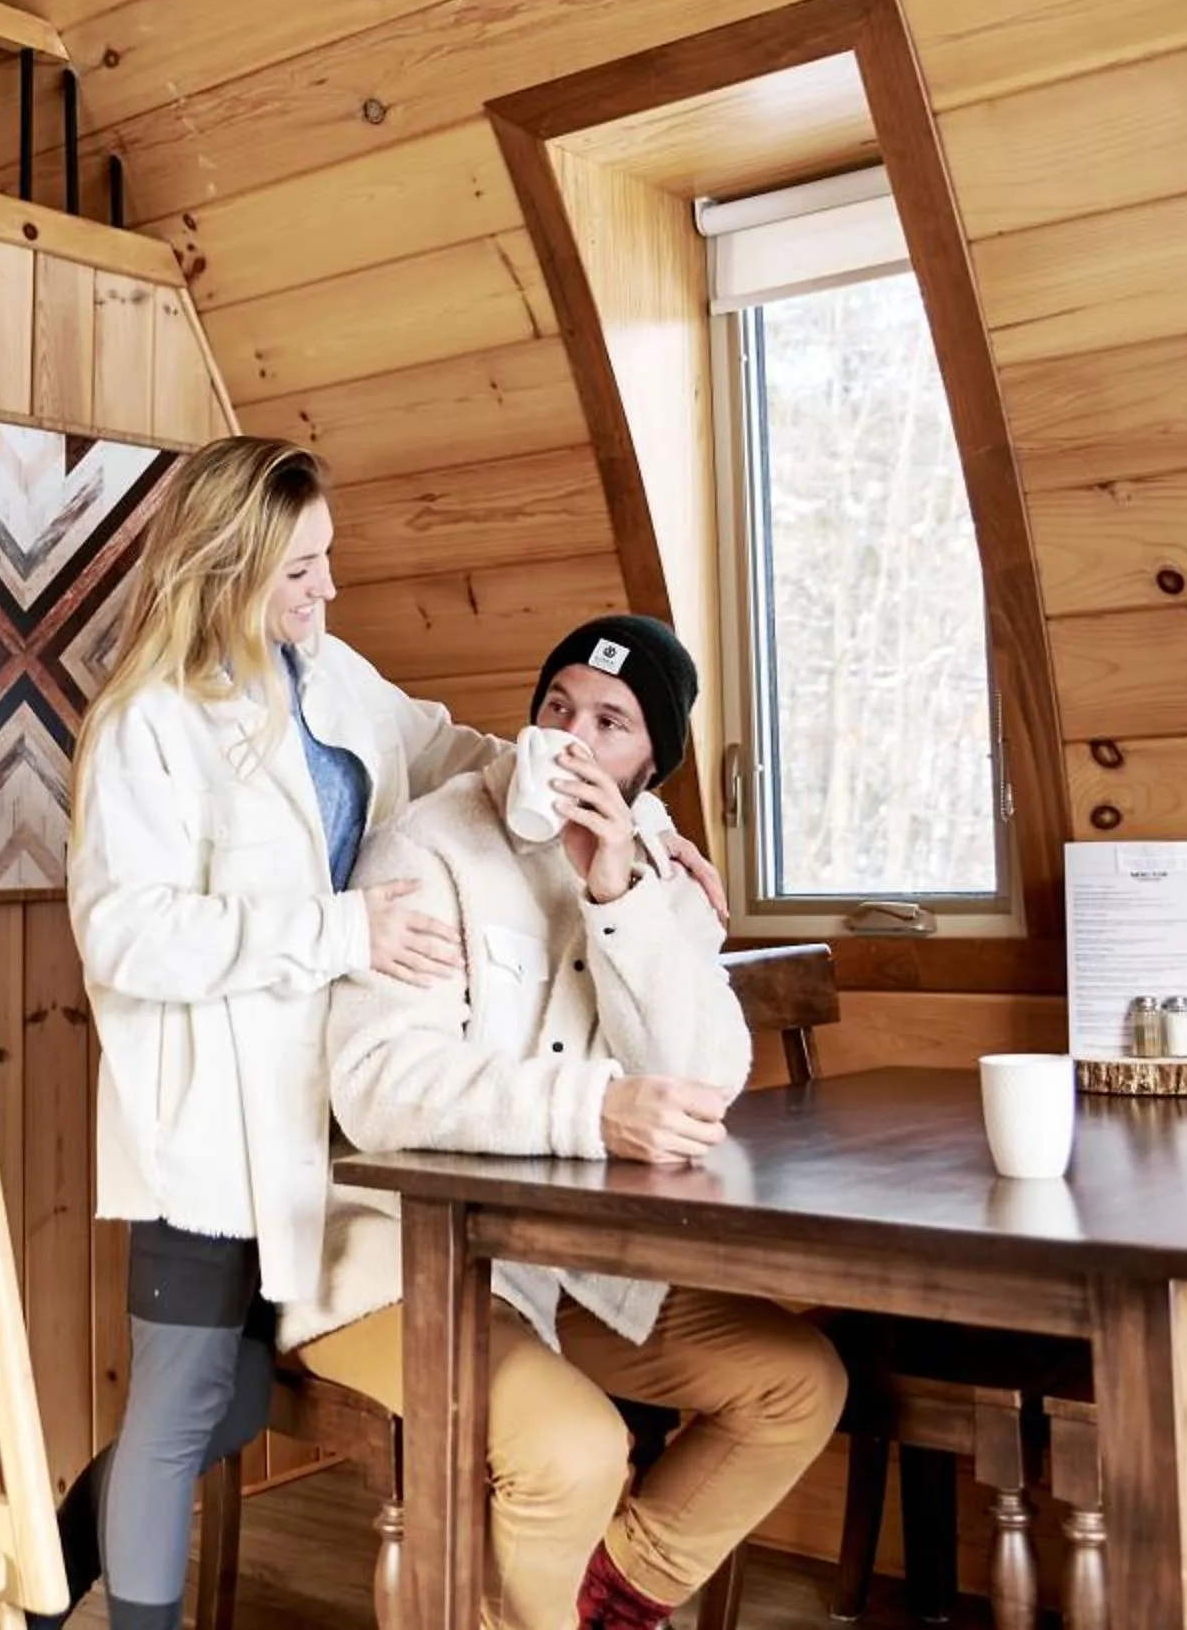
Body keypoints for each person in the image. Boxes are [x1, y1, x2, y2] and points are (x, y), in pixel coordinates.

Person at [40, 441, 720, 1630]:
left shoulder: (333, 674)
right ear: (229, 568)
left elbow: (469, 754)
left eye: (329, 562)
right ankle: (73, 1604)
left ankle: (43, 1577)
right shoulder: (148, 723)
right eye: (302, 569)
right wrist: (341, 929)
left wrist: (640, 824)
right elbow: (129, 938)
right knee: (186, 1397)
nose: (328, 590)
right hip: (212, 1125)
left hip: (328, 1121)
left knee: (240, 1399)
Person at [284, 613, 847, 1630]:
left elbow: (710, 1073)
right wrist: (594, 1108)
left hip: (566, 1269)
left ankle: (606, 1600)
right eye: (558, 707)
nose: (574, 740)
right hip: (392, 1266)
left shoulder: (654, 871)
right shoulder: (428, 847)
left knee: (797, 1381)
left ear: (653, 764)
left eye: (613, 723)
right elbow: (378, 1080)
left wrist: (620, 887)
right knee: (576, 1449)